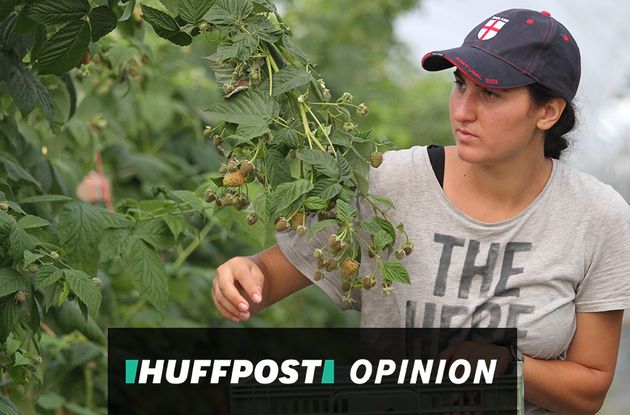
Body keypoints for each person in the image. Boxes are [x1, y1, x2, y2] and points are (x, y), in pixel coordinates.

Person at [211, 8, 630, 414]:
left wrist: (506, 366)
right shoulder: (388, 185)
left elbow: (589, 389)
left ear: (548, 112)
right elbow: (269, 277)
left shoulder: (597, 217)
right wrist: (245, 275)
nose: (463, 110)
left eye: (490, 93)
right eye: (460, 84)